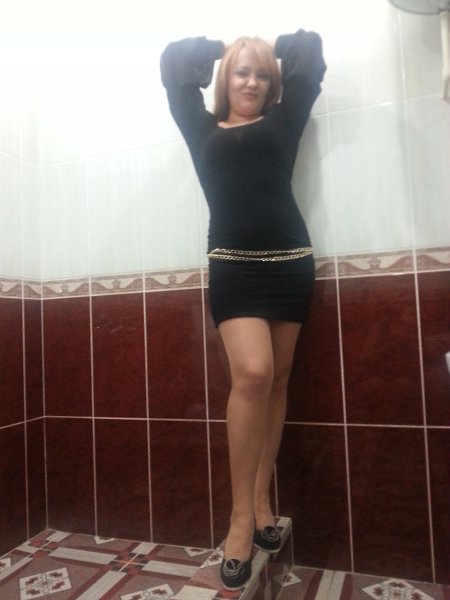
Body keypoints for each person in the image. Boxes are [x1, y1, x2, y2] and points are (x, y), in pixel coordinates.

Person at [160, 29, 326, 591]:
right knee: (253, 373)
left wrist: (275, 47)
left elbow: (309, 55)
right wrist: (219, 48)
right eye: (241, 71)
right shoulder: (200, 127)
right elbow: (173, 66)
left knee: (276, 381)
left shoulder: (285, 119)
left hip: (291, 262)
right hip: (233, 266)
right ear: (225, 79)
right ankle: (238, 521)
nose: (251, 82)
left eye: (261, 74)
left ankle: (260, 500)